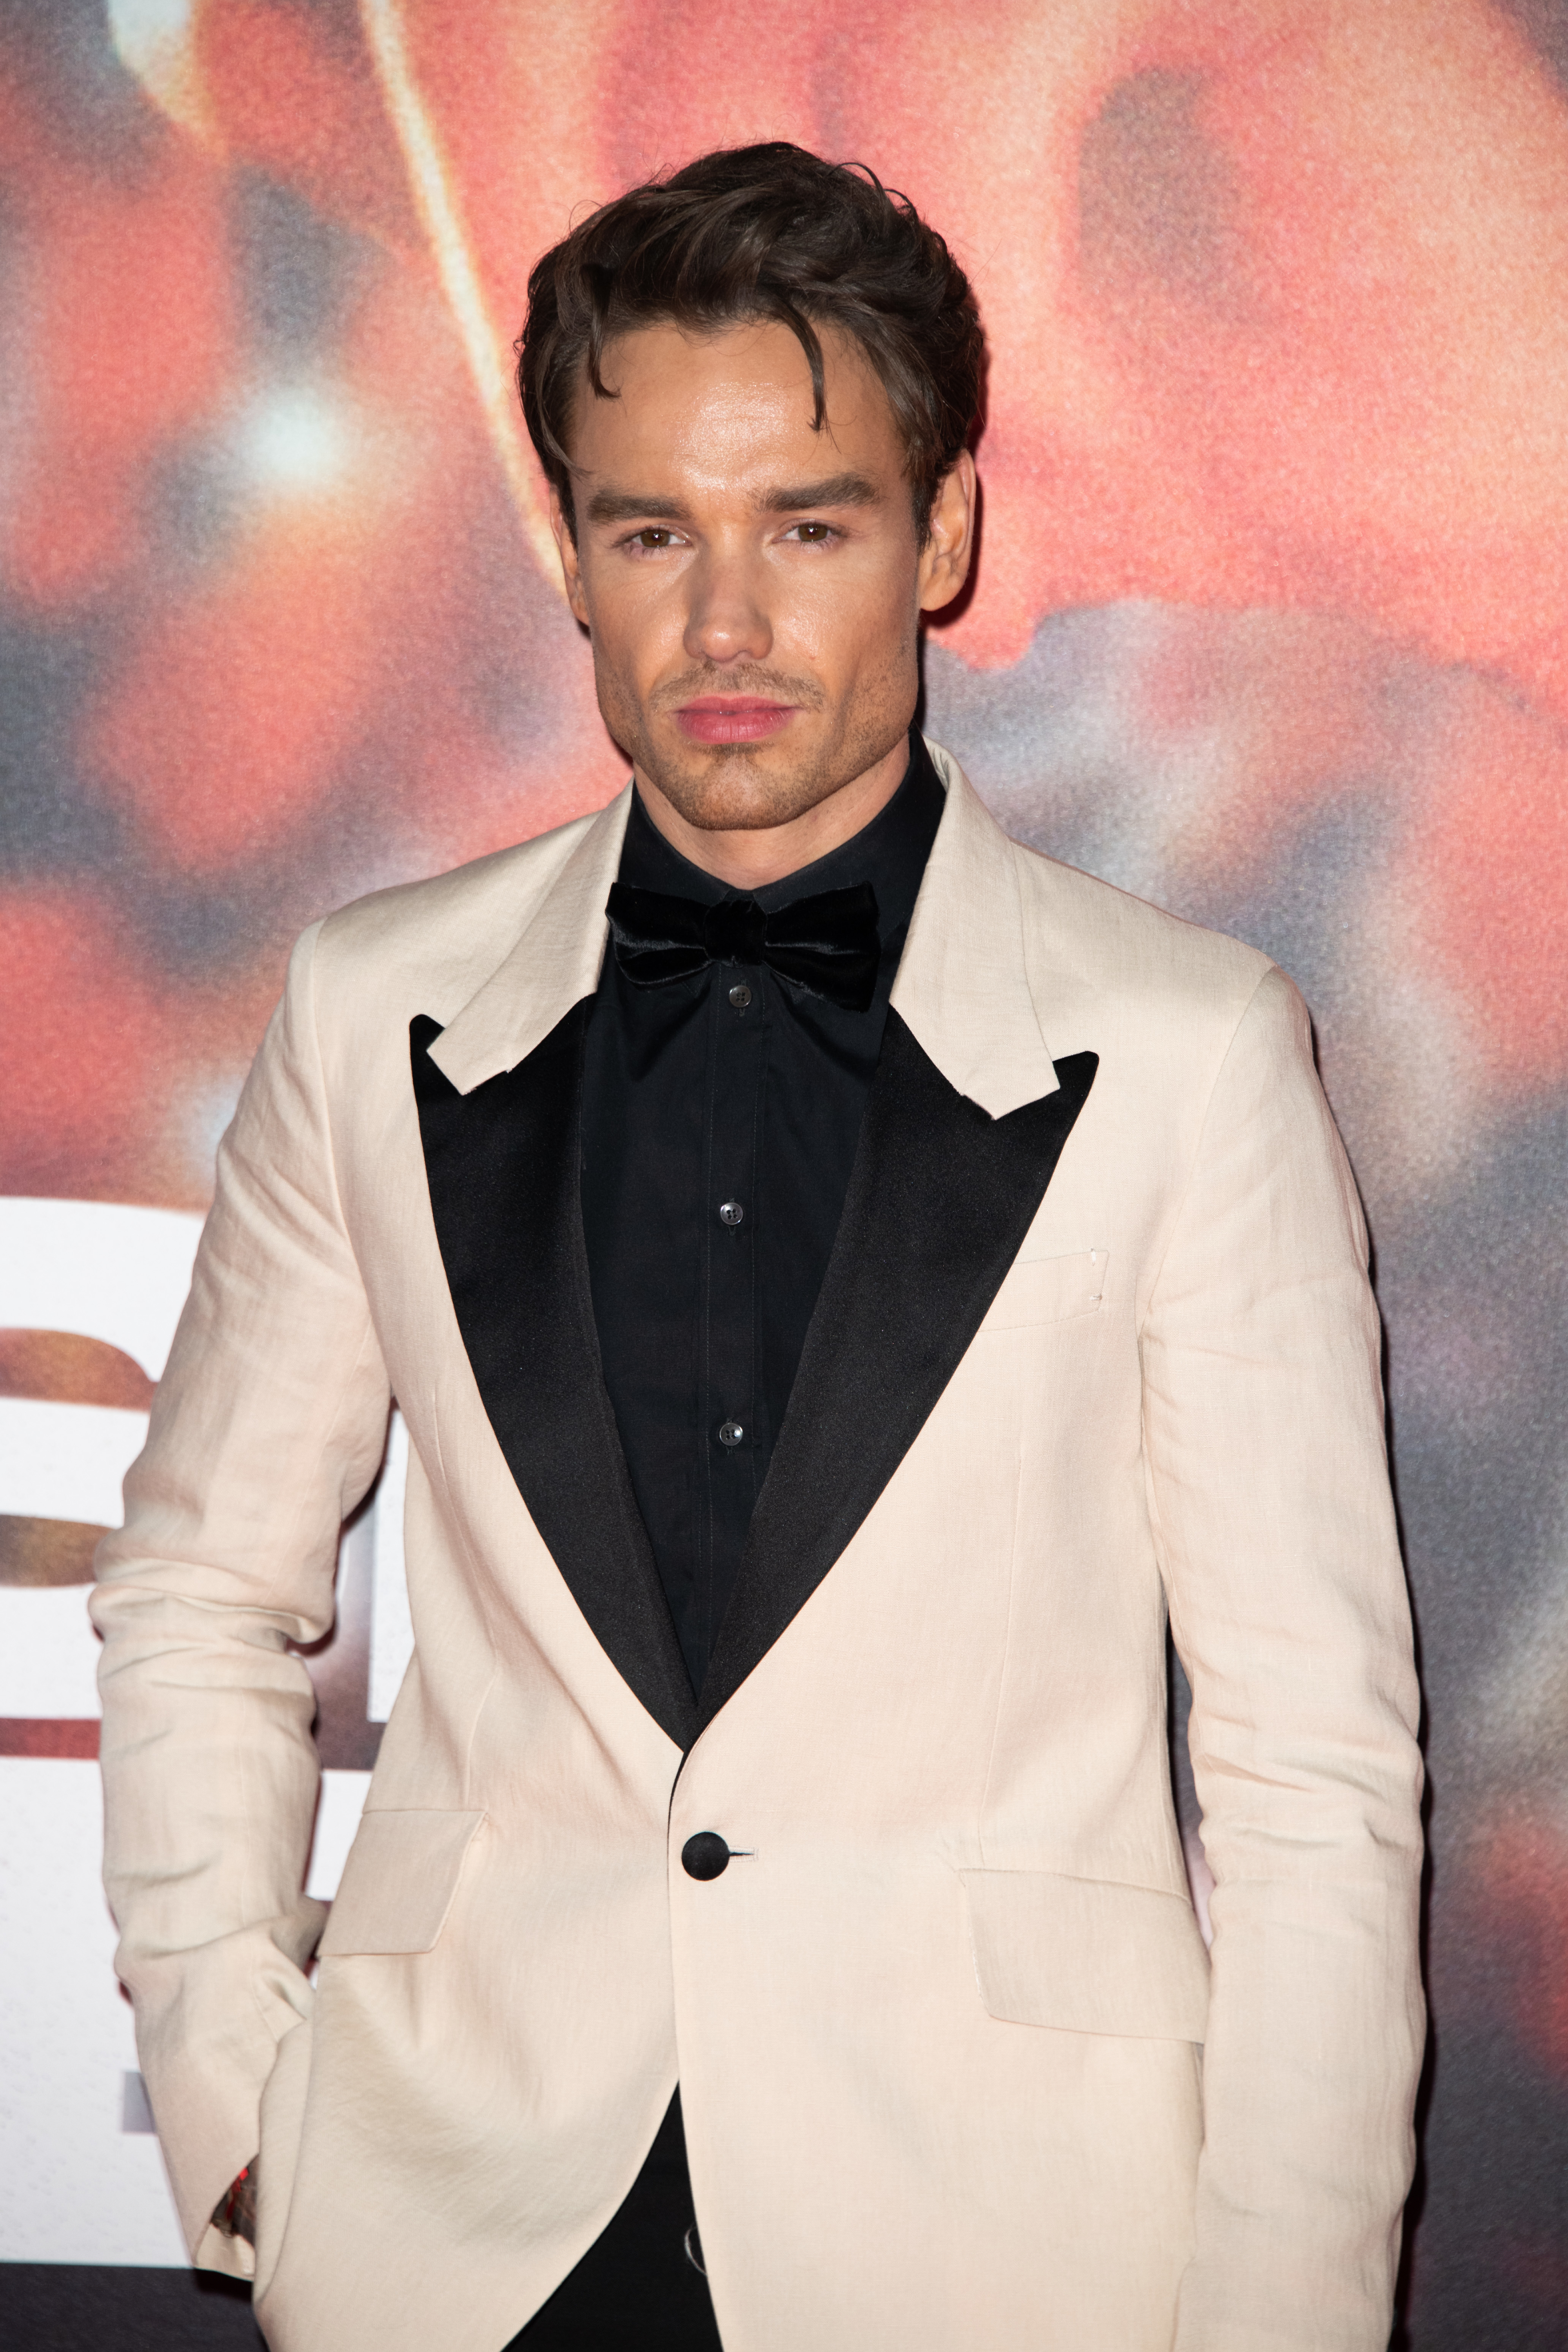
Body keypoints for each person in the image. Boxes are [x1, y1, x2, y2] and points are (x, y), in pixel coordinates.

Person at [93, 142, 1424, 2352]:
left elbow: (1313, 1770)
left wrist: (1279, 2311)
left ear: (947, 533)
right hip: (456, 2242)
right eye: (652, 533)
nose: (724, 623)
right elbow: (198, 1592)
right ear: (570, 554)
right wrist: (244, 2102)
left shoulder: (1195, 1053)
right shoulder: (365, 1008)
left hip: (1004, 2258)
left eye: (807, 525)